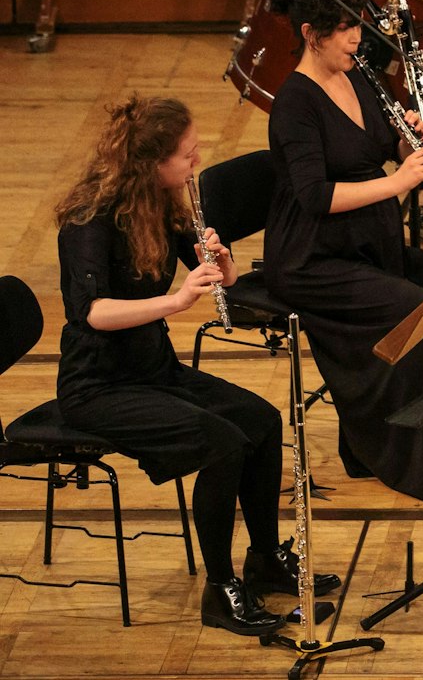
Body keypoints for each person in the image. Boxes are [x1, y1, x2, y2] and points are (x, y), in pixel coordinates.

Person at [54, 97, 339, 635]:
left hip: (153, 370)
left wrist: (222, 263)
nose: (196, 161)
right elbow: (93, 313)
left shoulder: (160, 202)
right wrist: (177, 301)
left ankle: (263, 560)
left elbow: (218, 279)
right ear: (151, 163)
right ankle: (220, 588)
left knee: (261, 421)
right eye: (187, 155)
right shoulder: (87, 220)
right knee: (223, 441)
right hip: (98, 385)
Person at [263, 0, 423, 503]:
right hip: (313, 260)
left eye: (357, 27)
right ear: (310, 34)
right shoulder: (295, 104)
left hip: (369, 245)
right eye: (344, 29)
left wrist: (405, 141)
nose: (356, 38)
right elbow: (316, 196)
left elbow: (378, 143)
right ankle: (422, 457)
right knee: (416, 308)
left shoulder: (357, 75)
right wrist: (399, 182)